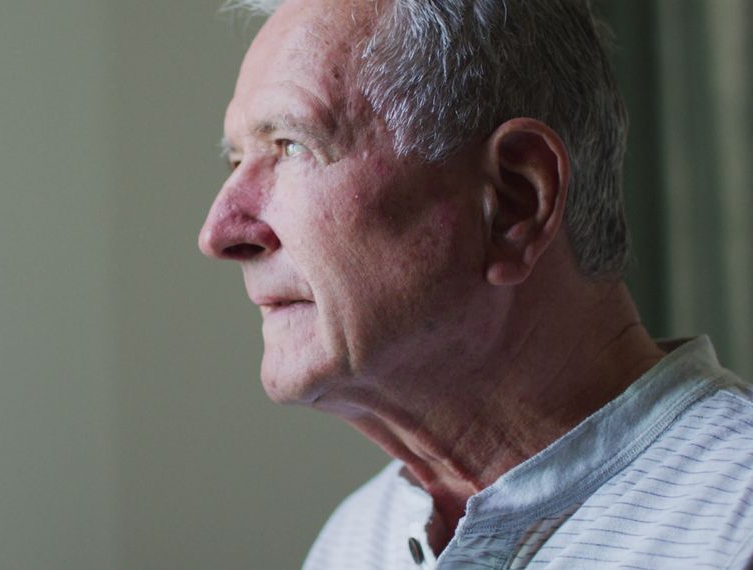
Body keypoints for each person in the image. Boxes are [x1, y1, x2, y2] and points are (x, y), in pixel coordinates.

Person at [198, 0, 753, 567]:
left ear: (514, 202)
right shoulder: (354, 541)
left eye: (291, 146)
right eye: (236, 160)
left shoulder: (736, 525)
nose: (219, 232)